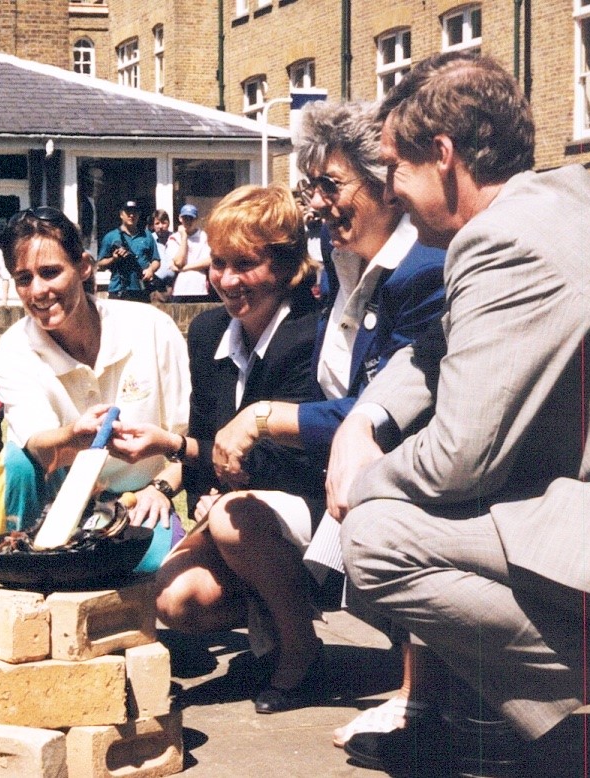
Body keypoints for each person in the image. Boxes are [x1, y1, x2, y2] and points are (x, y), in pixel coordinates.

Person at [329, 51, 590, 776]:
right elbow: (435, 349)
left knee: (377, 538)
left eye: (396, 167)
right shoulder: (559, 202)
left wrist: (360, 480)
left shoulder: (505, 242)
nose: (390, 191)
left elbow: (461, 460)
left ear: (445, 154)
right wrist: (360, 422)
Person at [209, 102, 446, 740]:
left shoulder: (423, 273)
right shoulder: (338, 257)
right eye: (311, 186)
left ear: (386, 185)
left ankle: (418, 697)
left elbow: (386, 407)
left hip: (413, 478)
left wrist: (260, 416)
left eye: (332, 185)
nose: (317, 202)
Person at [112, 185, 328, 715]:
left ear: (284, 264)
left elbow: (295, 460)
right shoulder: (208, 329)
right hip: (239, 509)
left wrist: (175, 448)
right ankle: (270, 628)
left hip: (311, 510)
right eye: (220, 263)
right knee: (173, 597)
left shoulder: (311, 333)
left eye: (246, 264)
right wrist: (187, 487)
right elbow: (211, 434)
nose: (227, 281)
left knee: (233, 518)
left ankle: (300, 650)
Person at [0, 206, 189, 568]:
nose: (38, 291)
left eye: (50, 272)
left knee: (178, 590)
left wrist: (159, 489)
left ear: (84, 267)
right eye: (23, 278)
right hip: (58, 495)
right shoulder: (15, 348)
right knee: (18, 460)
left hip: (137, 499)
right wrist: (74, 434)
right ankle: (25, 563)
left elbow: (188, 441)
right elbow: (35, 445)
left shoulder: (153, 329)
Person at [97, 200, 159, 302]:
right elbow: (100, 264)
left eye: (134, 212)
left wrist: (150, 270)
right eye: (128, 212)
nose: (131, 215)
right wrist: (114, 258)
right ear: (121, 215)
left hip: (141, 289)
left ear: (139, 215)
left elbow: (156, 260)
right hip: (119, 289)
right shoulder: (111, 237)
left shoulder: (147, 235)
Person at [169, 203, 212, 302]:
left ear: (196, 219)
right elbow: (179, 262)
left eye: (191, 218)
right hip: (180, 289)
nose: (188, 221)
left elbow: (208, 261)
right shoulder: (174, 238)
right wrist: (184, 237)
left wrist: (183, 269)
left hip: (200, 289)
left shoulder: (204, 237)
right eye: (185, 218)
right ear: (180, 218)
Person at [148, 209, 176, 301]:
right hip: (156, 288)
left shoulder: (176, 238)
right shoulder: (149, 239)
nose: (160, 226)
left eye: (164, 223)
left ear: (169, 223)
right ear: (153, 225)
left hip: (174, 286)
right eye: (157, 223)